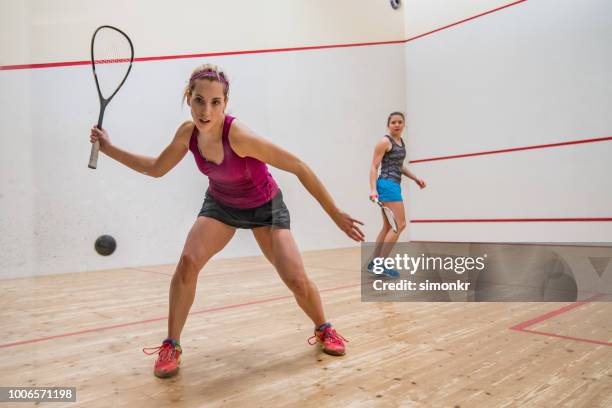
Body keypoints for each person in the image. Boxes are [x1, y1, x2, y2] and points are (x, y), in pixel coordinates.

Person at [89, 63, 364, 378]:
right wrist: (108, 149)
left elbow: (298, 165)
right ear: (188, 98)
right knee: (188, 262)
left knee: (296, 280)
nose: (206, 110)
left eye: (215, 102)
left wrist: (335, 213)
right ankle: (171, 345)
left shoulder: (239, 136)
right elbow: (156, 168)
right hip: (221, 205)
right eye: (199, 101)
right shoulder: (187, 134)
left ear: (225, 103)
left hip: (266, 208)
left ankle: (324, 328)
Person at [367, 112, 426, 277]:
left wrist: (415, 178)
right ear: (388, 125)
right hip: (387, 185)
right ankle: (380, 263)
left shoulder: (400, 142)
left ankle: (374, 261)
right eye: (393, 122)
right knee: (399, 225)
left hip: (393, 185)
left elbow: (399, 166)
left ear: (404, 125)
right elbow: (374, 166)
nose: (397, 124)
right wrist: (373, 189)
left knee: (388, 227)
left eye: (400, 122)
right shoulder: (384, 142)